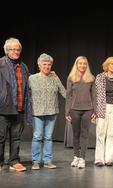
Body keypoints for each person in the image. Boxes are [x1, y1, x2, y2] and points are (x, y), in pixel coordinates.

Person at [29, 53, 66, 170]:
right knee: (37, 136)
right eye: (44, 64)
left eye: (49, 64)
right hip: (37, 112)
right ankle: (35, 161)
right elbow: (26, 94)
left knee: (48, 137)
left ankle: (47, 161)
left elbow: (64, 92)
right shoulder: (32, 78)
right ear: (39, 65)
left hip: (52, 112)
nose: (47, 66)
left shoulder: (54, 78)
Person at [0, 37, 31, 172]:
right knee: (1, 137)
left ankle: (14, 161)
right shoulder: (1, 63)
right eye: (13, 49)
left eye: (18, 49)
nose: (16, 52)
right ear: (7, 51)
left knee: (16, 137)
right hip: (3, 107)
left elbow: (28, 85)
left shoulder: (23, 66)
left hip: (19, 107)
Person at [65, 56, 96, 169]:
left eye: (84, 64)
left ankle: (82, 158)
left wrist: (95, 111)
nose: (82, 65)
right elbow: (68, 95)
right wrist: (67, 112)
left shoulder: (91, 78)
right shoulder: (71, 78)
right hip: (74, 110)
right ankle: (76, 156)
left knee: (85, 134)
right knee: (76, 134)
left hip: (88, 109)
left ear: (87, 65)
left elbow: (94, 96)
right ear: (76, 65)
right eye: (80, 63)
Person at [94, 57, 113, 167]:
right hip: (102, 107)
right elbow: (95, 94)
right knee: (101, 133)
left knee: (111, 134)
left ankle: (109, 159)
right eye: (112, 64)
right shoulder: (100, 77)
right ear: (107, 65)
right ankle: (99, 159)